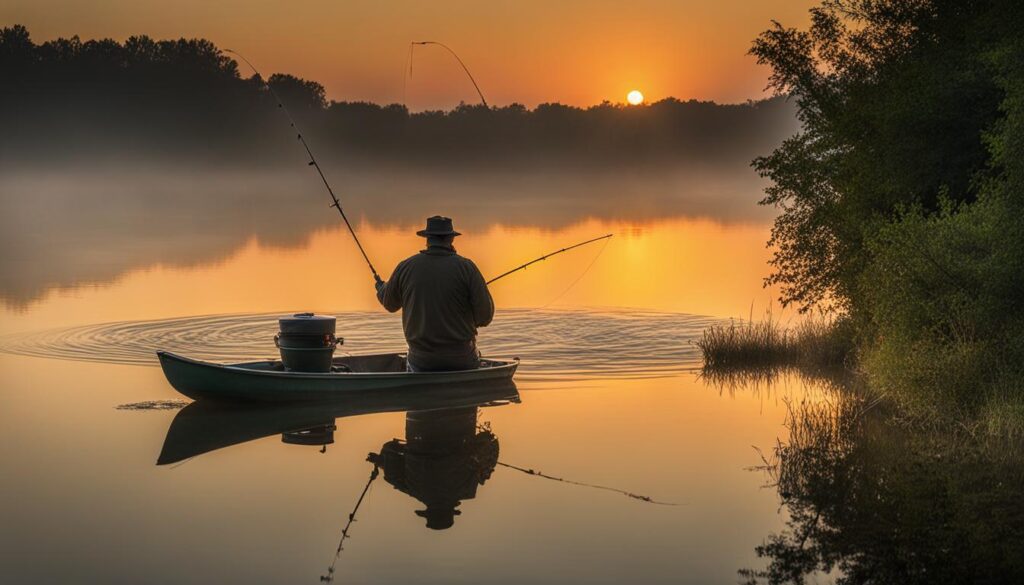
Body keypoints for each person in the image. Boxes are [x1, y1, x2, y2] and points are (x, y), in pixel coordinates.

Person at [375, 216, 494, 372]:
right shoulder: (467, 268)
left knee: (411, 363)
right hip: (462, 359)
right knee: (475, 355)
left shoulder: (406, 266)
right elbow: (485, 317)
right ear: (451, 238)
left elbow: (390, 304)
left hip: (422, 361)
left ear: (427, 239)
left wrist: (381, 288)